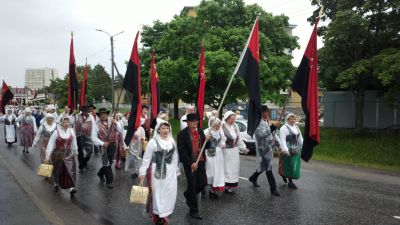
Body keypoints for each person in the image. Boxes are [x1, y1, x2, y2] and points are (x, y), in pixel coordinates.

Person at [139, 121, 180, 225]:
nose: (165, 130)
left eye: (167, 128)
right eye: (163, 128)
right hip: (157, 171)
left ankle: (165, 214)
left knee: (169, 192)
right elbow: (146, 158)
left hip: (170, 171)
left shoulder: (172, 141)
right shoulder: (153, 142)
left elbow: (175, 157)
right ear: (158, 130)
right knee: (158, 193)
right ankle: (159, 217)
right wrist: (142, 172)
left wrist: (176, 170)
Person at [177, 113, 210, 220]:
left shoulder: (200, 131)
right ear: (188, 123)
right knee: (192, 184)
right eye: (193, 121)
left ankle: (189, 194)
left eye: (196, 121)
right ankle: (194, 210)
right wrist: (191, 162)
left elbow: (206, 147)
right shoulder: (182, 135)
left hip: (200, 161)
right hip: (190, 163)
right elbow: (182, 152)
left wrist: (208, 140)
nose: (196, 123)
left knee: (203, 183)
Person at [248, 105, 281, 196]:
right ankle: (273, 189)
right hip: (262, 149)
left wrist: (279, 145)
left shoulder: (268, 121)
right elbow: (261, 135)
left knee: (264, 166)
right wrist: (272, 127)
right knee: (268, 168)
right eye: (265, 111)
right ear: (261, 113)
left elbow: (273, 135)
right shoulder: (257, 122)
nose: (267, 113)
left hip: (269, 148)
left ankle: (253, 178)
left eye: (267, 111)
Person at [91, 108, 126, 189]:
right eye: (101, 114)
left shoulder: (113, 121)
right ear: (99, 116)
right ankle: (109, 181)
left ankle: (100, 173)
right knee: (106, 163)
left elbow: (120, 130)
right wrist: (102, 143)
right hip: (103, 146)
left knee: (109, 162)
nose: (103, 116)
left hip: (113, 145)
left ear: (107, 114)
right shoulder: (96, 125)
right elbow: (93, 137)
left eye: (105, 114)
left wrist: (116, 124)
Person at [44, 116, 78, 196]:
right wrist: (47, 156)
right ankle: (56, 183)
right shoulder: (56, 132)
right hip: (57, 155)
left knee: (70, 170)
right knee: (57, 170)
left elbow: (74, 143)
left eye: (67, 122)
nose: (66, 124)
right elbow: (51, 144)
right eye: (64, 122)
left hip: (69, 154)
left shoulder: (71, 132)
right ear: (61, 123)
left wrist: (75, 152)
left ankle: (71, 188)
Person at [221, 111, 248, 194]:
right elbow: (221, 138)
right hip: (226, 151)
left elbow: (239, 138)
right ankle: (225, 185)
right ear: (227, 118)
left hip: (234, 151)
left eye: (234, 119)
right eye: (231, 119)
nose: (233, 121)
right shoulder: (222, 126)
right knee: (226, 168)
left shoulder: (235, 126)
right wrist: (222, 144)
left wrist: (243, 148)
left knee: (234, 168)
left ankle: (230, 185)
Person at [279, 113, 303, 189]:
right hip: (287, 149)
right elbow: (282, 140)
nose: (293, 120)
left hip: (296, 149)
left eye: (294, 119)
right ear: (287, 119)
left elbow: (300, 138)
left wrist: (303, 146)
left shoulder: (297, 127)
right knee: (290, 166)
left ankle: (284, 174)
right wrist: (285, 150)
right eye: (291, 119)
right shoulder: (284, 128)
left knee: (294, 165)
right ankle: (290, 182)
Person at [204, 118, 226, 199]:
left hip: (218, 154)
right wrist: (205, 140)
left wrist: (222, 144)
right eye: (218, 124)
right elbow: (202, 143)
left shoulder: (220, 132)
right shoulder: (207, 131)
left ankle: (212, 190)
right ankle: (204, 186)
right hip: (209, 154)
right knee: (210, 172)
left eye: (220, 124)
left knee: (217, 173)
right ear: (213, 124)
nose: (219, 125)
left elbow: (222, 141)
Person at [75, 105, 95, 173]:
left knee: (90, 151)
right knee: (80, 152)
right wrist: (72, 114)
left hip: (88, 136)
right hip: (78, 136)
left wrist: (94, 136)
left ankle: (84, 162)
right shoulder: (77, 116)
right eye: (84, 111)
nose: (86, 113)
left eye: (87, 111)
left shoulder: (91, 117)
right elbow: (70, 121)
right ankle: (81, 166)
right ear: (82, 111)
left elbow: (93, 126)